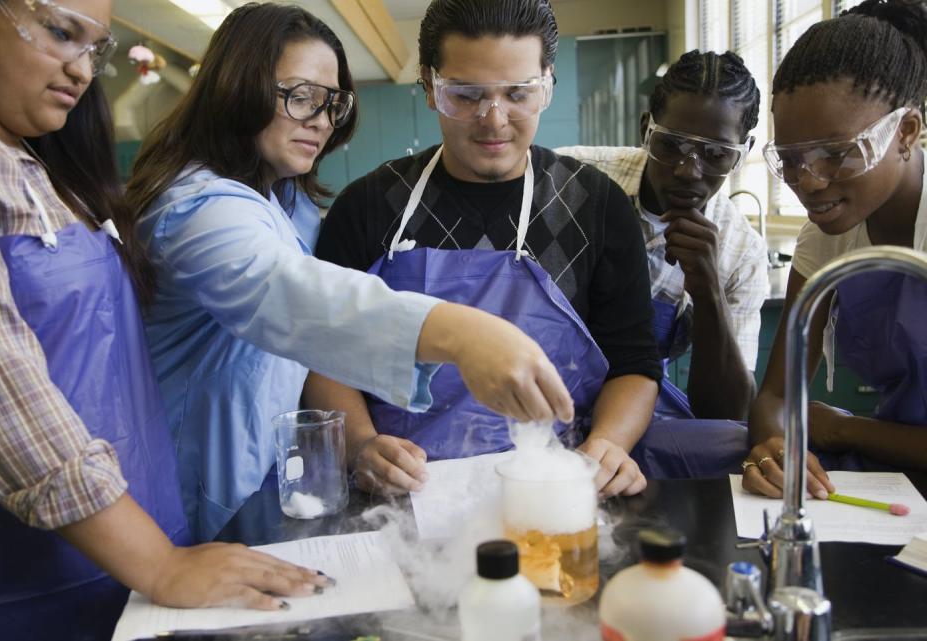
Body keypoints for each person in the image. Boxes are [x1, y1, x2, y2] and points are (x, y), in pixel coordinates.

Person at [126, 2, 574, 543]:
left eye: (331, 103)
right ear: (234, 88)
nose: (319, 121)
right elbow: (294, 297)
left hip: (264, 484)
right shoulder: (195, 209)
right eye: (298, 97)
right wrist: (466, 334)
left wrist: (361, 444)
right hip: (188, 499)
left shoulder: (283, 201)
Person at [0, 1, 331, 640]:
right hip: (28, 572)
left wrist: (161, 555)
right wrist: (157, 563)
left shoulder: (52, 167)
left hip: (137, 533)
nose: (81, 71)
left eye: (95, 48)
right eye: (59, 32)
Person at [313, 0, 662, 497]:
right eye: (466, 94)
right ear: (430, 88)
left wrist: (608, 444)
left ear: (547, 86)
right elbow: (325, 351)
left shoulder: (596, 206)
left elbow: (633, 363)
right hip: (402, 494)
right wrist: (362, 444)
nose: (494, 120)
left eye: (518, 93)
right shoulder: (369, 206)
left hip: (553, 486)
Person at [743, 0, 927, 499]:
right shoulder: (827, 235)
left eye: (838, 154)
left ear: (905, 132)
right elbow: (779, 394)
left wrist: (846, 429)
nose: (810, 183)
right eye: (791, 160)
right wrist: (774, 447)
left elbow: (825, 422)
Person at [556, 51, 769, 478]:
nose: (689, 171)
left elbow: (727, 412)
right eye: (670, 145)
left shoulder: (741, 253)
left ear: (742, 154)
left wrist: (707, 288)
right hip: (539, 384)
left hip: (636, 405)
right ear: (645, 130)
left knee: (732, 445)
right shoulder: (571, 179)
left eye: (716, 154)